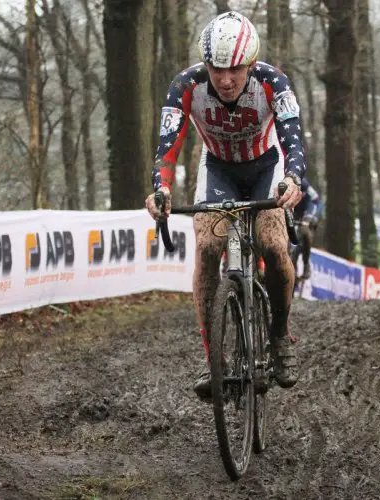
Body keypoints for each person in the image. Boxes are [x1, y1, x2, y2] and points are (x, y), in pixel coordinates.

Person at [144, 11, 306, 399]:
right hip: (218, 168)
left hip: (267, 166)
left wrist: (293, 179)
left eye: (234, 69)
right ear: (206, 65)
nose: (226, 79)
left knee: (273, 244)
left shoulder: (273, 82)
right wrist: (160, 189)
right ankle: (214, 360)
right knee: (207, 248)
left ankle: (280, 338)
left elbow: (293, 141)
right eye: (217, 69)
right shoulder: (186, 85)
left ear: (250, 64)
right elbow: (167, 150)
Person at [291, 177, 322, 279]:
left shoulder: (309, 192)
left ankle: (306, 264)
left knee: (305, 232)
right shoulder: (290, 188)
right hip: (296, 212)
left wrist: (308, 220)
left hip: (310, 212)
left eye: (302, 193)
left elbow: (315, 205)